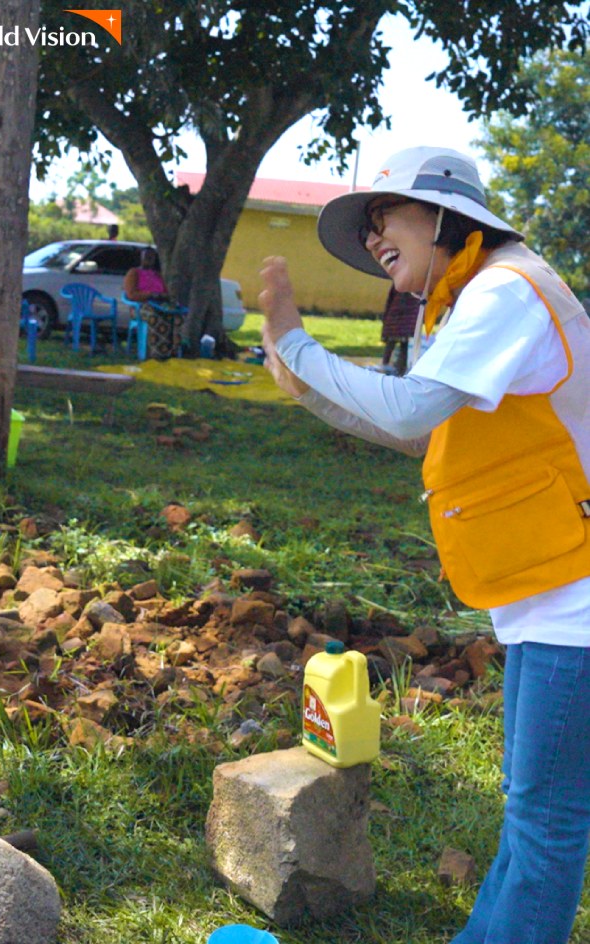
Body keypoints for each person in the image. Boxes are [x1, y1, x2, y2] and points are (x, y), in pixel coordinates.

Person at [259, 146, 590, 944]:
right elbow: (418, 433)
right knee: (533, 805)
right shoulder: (474, 298)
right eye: (368, 227)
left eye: (385, 216)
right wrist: (309, 389)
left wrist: (300, 345)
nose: (374, 239)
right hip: (548, 589)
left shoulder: (508, 289)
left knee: (546, 819)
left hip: (578, 601)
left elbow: (408, 412)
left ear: (444, 215)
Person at [124, 247, 184, 359]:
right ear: (141, 258)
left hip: (160, 305)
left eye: (151, 258)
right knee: (156, 317)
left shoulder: (158, 275)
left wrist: (163, 297)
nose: (149, 260)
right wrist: (150, 295)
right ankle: (158, 354)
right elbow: (131, 294)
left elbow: (166, 292)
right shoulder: (134, 273)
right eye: (146, 257)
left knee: (177, 317)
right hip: (140, 307)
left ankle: (174, 351)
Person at [378, 284, 420, 376]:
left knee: (390, 346)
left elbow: (389, 300)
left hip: (394, 318)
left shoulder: (398, 282)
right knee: (404, 347)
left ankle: (385, 368)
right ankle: (400, 371)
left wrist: (386, 317)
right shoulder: (418, 284)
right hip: (407, 322)